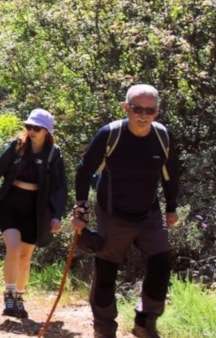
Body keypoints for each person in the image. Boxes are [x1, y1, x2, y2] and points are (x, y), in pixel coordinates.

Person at [71, 84, 180, 338]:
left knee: (161, 263)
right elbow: (84, 170)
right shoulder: (111, 134)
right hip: (113, 213)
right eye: (137, 108)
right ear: (126, 108)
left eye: (150, 110)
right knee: (107, 271)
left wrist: (171, 208)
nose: (143, 114)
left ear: (157, 111)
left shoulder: (162, 136)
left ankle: (145, 322)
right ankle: (104, 328)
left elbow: (171, 174)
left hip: (149, 214)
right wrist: (81, 209)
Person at [0, 108, 67, 320]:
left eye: (37, 128)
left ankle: (20, 297)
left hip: (35, 209)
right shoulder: (16, 147)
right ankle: (9, 294)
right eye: (29, 126)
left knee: (25, 256)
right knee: (13, 248)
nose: (31, 131)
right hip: (10, 204)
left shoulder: (54, 154)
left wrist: (57, 215)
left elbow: (60, 188)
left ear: (47, 131)